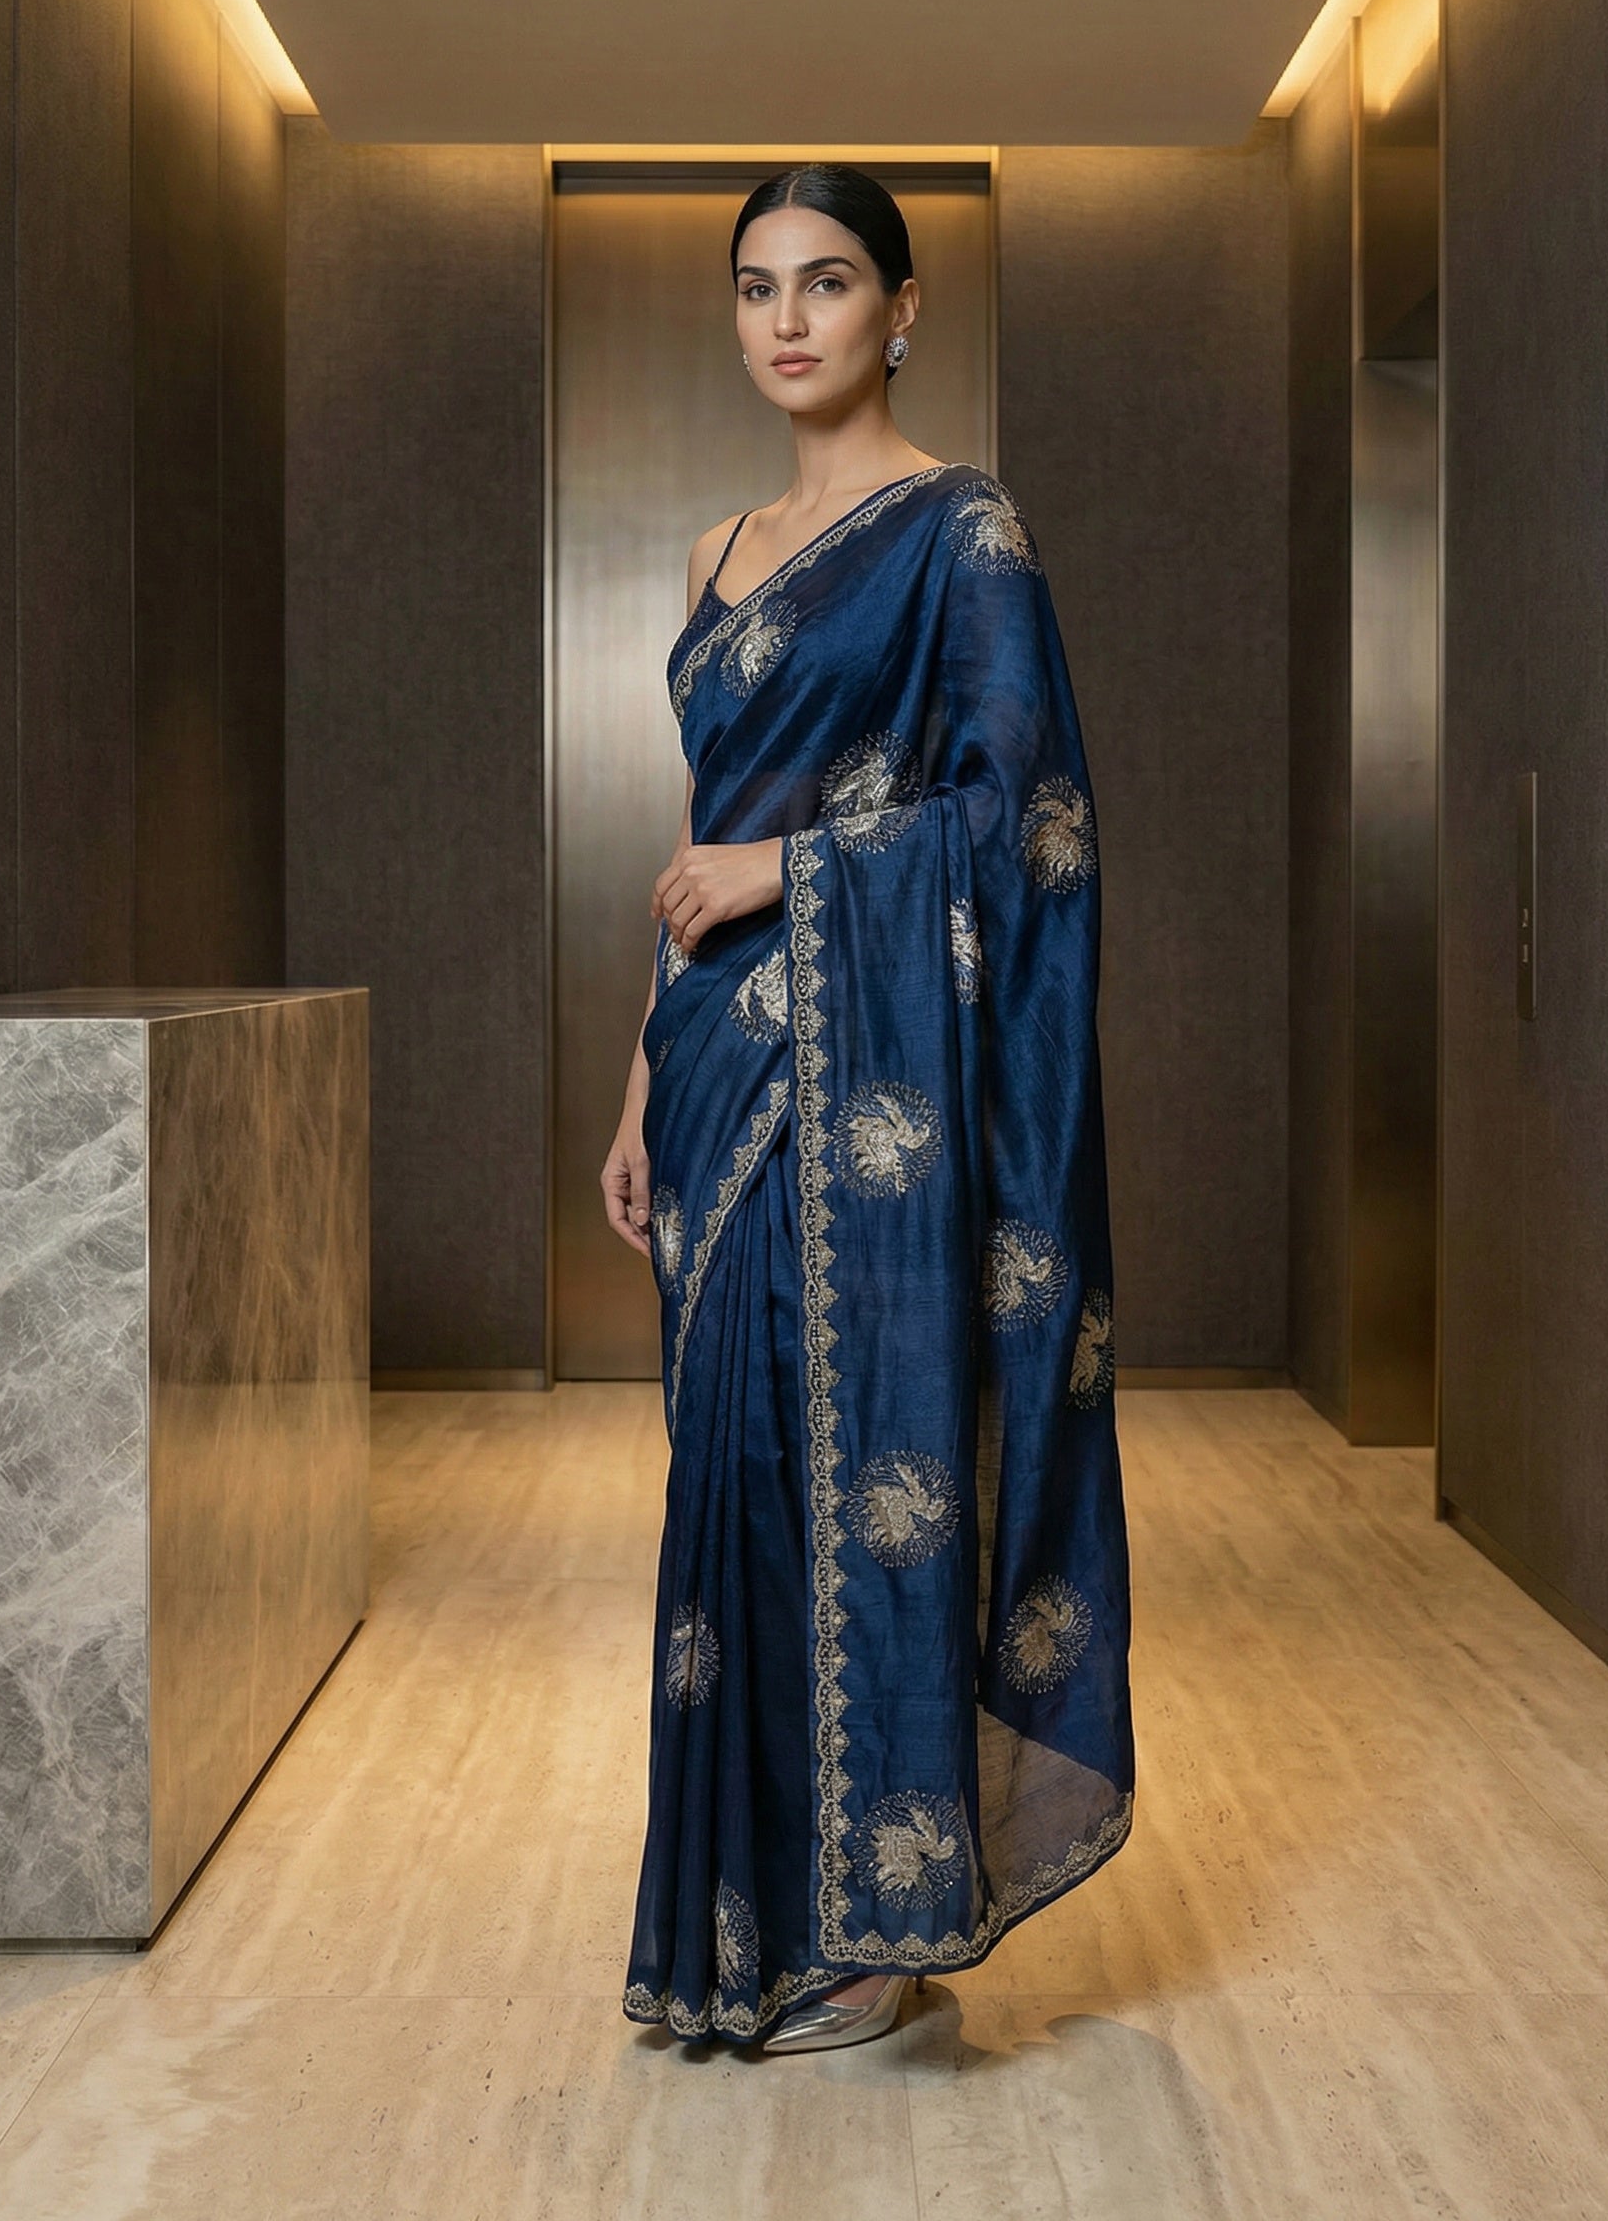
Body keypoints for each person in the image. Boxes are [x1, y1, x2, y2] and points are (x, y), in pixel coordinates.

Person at [600, 162, 1135, 2052]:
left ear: (903, 310)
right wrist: (636, 1087)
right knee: (734, 1484)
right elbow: (692, 849)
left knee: (863, 1479)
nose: (789, 320)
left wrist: (790, 874)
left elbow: (1023, 824)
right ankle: (739, 1929)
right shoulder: (716, 551)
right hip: (714, 1074)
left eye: (828, 283)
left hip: (868, 1092)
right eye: (758, 287)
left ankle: (879, 1934)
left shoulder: (963, 532)